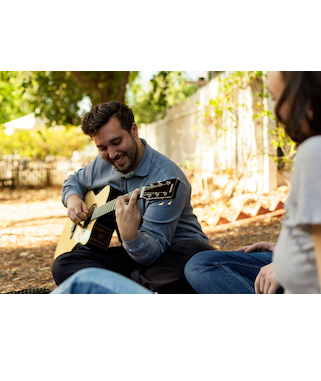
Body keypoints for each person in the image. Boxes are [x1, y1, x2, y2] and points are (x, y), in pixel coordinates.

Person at [185, 71, 321, 294]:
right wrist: (288, 248)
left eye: (275, 99)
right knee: (201, 264)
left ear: (309, 95)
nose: (276, 113)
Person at [52, 100, 213, 294]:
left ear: (134, 130)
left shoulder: (167, 179)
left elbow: (152, 253)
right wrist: (72, 199)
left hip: (171, 254)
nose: (112, 154)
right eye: (102, 148)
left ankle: (117, 286)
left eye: (116, 142)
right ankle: (134, 286)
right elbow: (74, 181)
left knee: (192, 258)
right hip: (136, 257)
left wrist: (129, 235)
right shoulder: (103, 163)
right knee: (64, 263)